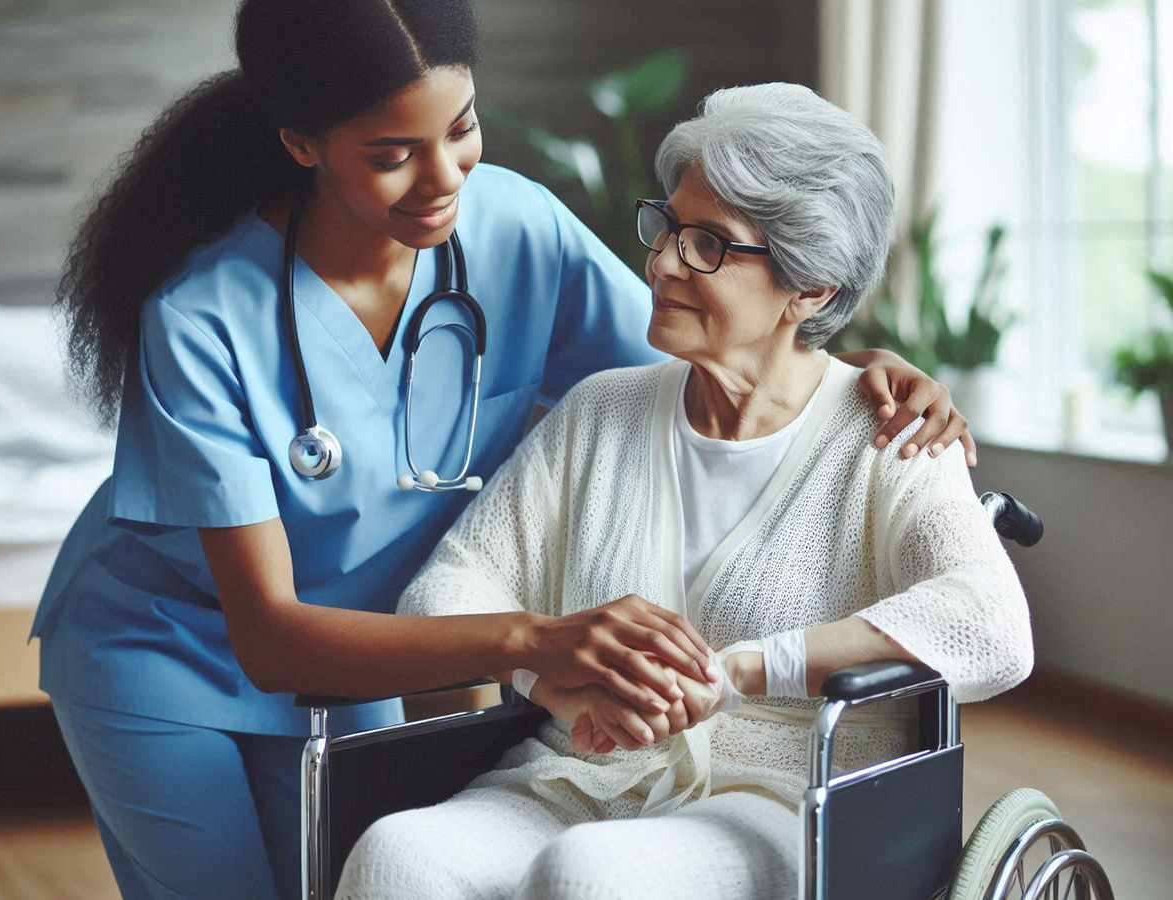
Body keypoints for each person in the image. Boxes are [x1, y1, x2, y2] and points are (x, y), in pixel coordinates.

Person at [32, 3, 977, 899]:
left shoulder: (516, 229)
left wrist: (853, 369)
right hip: (169, 650)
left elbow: (704, 352)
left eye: (463, 127)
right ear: (302, 144)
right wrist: (535, 640)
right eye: (393, 154)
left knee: (356, 874)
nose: (444, 178)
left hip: (366, 639)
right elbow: (271, 636)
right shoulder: (201, 317)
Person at [336, 82, 1033, 900]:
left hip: (784, 800)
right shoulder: (601, 410)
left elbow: (991, 627)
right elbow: (443, 592)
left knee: (591, 876)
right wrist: (551, 674)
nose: (662, 260)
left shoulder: (891, 437)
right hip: (579, 777)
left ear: (809, 289)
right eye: (667, 225)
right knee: (396, 854)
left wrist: (736, 672)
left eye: (708, 243)